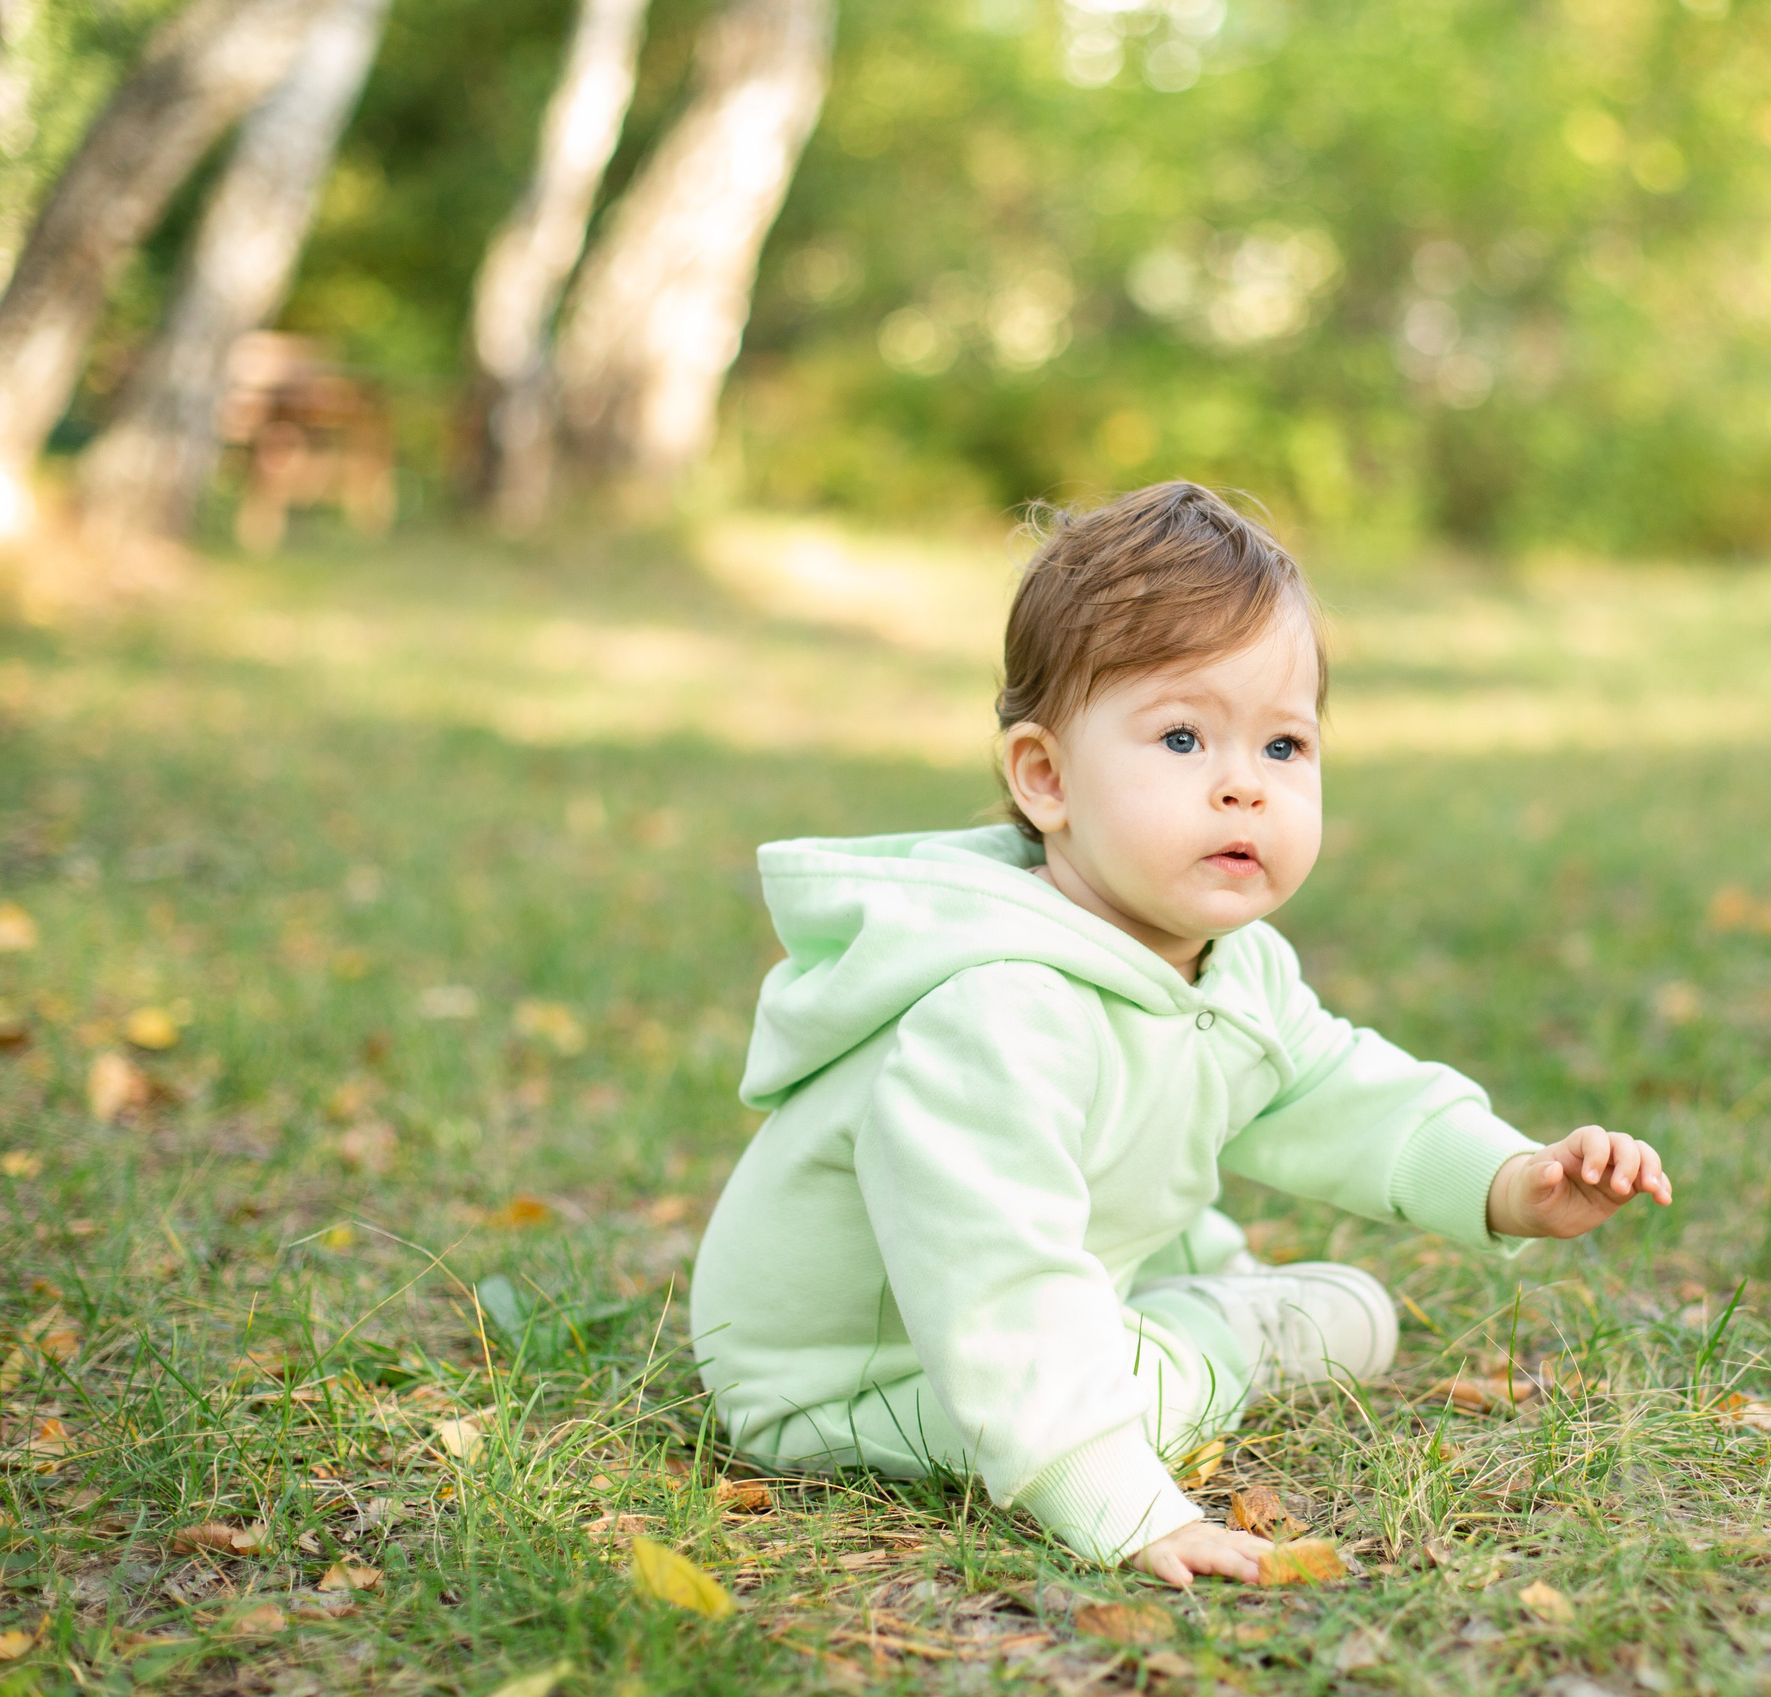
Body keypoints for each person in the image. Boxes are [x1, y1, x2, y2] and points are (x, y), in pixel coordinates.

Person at [690, 482, 1672, 1586]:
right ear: (1047, 778)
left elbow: (1334, 1088)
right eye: (1182, 737)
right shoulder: (994, 1010)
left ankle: (1204, 1312)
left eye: (1284, 745)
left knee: (1314, 1318)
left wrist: (1508, 1178)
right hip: (856, 1380)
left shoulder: (1230, 965)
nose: (1243, 785)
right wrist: (1124, 1505)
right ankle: (1222, 1335)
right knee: (1151, 1390)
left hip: (1024, 1315)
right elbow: (996, 1285)